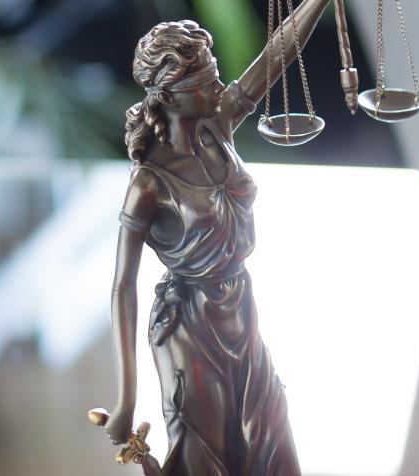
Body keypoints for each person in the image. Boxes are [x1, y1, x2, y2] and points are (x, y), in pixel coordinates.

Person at [102, 2, 335, 472]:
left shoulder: (218, 125)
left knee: (272, 444)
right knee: (207, 458)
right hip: (189, 327)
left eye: (214, 75)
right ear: (168, 95)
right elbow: (123, 287)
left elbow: (278, 53)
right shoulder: (148, 183)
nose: (216, 87)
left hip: (241, 312)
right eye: (203, 83)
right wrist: (127, 397)